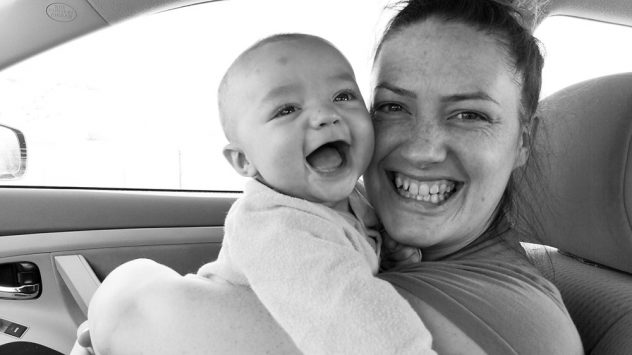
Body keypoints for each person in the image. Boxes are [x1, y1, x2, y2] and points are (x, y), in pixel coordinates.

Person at [73, 0, 584, 353]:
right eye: (392, 106)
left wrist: (123, 285)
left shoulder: (514, 323)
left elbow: (137, 313)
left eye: (469, 114)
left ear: (523, 141)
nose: (423, 149)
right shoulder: (341, 225)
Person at [75, 33, 435, 355]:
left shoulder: (357, 198)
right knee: (132, 286)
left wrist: (392, 256)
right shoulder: (275, 227)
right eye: (287, 109)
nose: (326, 114)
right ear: (244, 160)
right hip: (197, 326)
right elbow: (350, 313)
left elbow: (359, 249)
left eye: (343, 95)